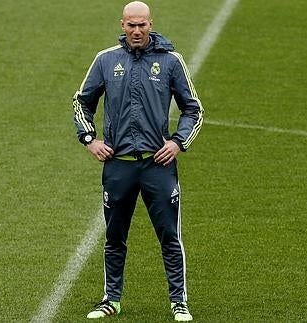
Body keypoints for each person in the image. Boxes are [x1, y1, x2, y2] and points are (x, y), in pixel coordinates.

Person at [72, 1, 203, 321]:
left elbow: (193, 108)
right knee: (115, 237)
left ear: (151, 24)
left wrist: (177, 142)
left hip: (157, 166)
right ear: (122, 25)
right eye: (131, 25)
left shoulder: (171, 61)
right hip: (118, 166)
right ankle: (111, 299)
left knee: (170, 237)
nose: (136, 30)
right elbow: (81, 102)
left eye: (142, 25)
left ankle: (179, 301)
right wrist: (89, 139)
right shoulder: (105, 60)